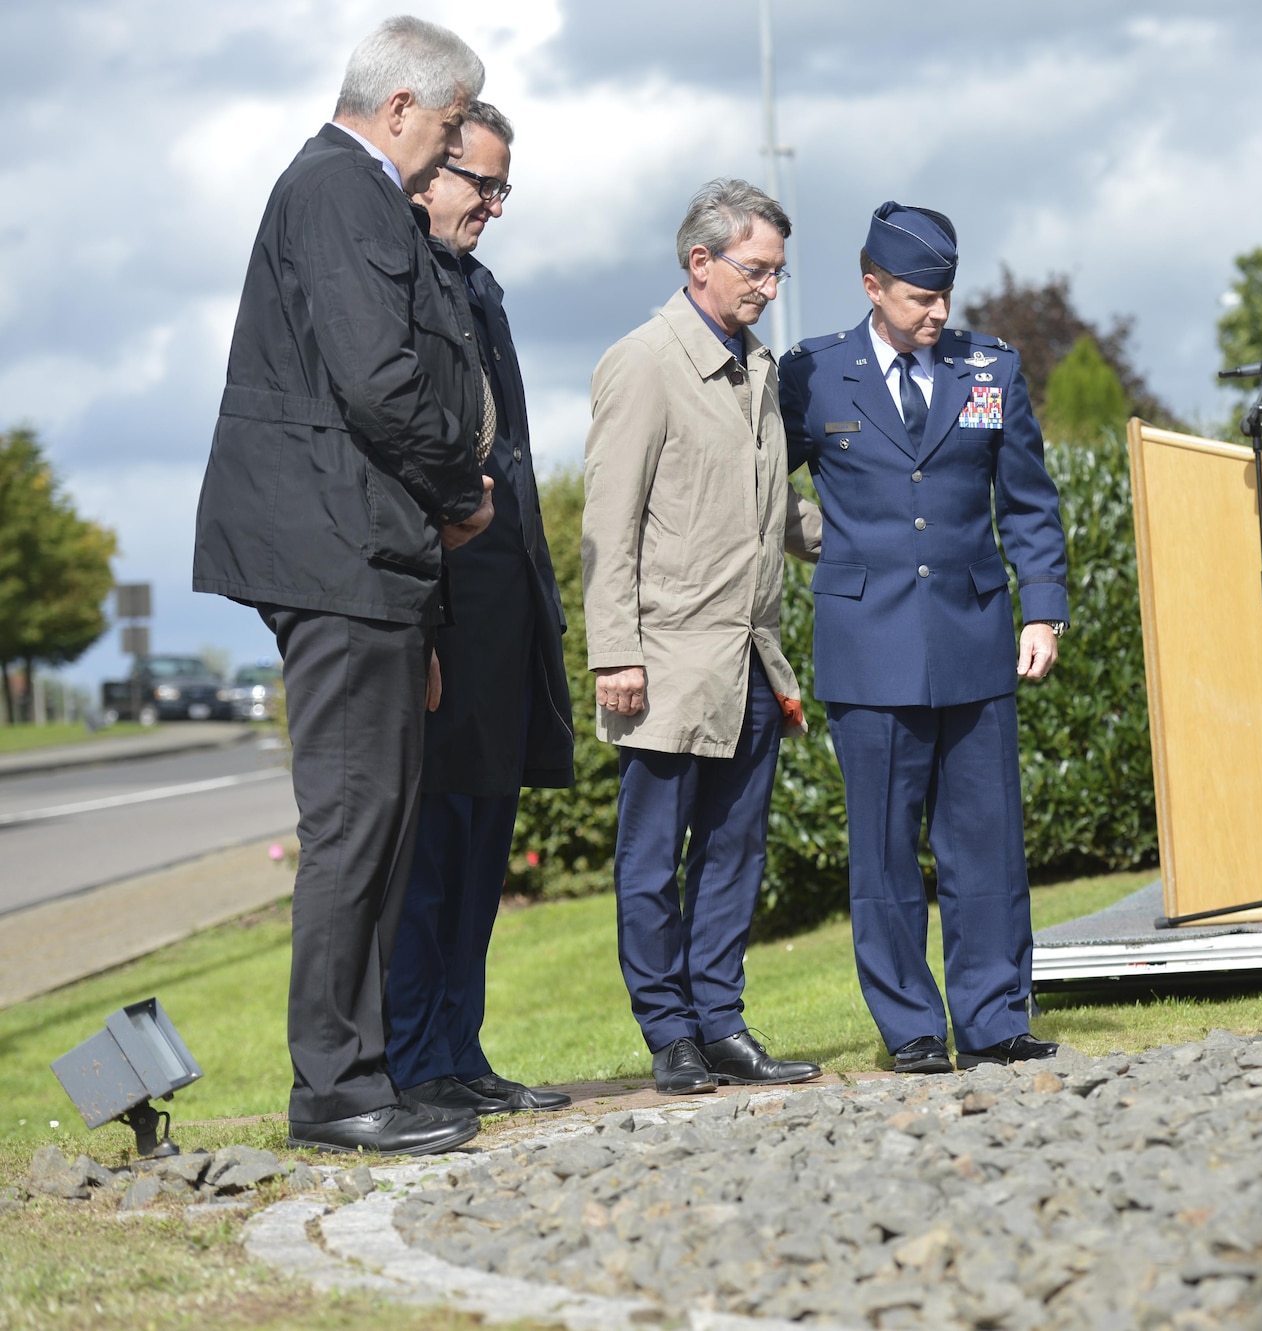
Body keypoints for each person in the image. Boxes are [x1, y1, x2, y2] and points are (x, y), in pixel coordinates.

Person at [192, 16, 496, 1155]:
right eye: (455, 122)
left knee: (381, 818)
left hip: (361, 550)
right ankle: (333, 1087)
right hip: (335, 550)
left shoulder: (352, 192)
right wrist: (457, 484)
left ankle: (359, 1073)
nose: (455, 148)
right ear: (404, 106)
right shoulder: (339, 188)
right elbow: (378, 379)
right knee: (355, 820)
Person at [778, 202, 1068, 1074]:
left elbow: (1027, 501)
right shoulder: (813, 374)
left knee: (985, 843)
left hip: (976, 639)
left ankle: (991, 1019)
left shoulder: (991, 368)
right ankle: (909, 1026)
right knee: (883, 851)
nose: (936, 312)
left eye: (944, 294)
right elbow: (754, 483)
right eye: (916, 297)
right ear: (872, 286)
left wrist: (1043, 609)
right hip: (866, 648)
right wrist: (819, 543)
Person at [582, 179, 824, 1096]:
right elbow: (607, 520)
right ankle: (671, 1033)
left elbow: (773, 514)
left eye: (777, 272)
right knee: (652, 863)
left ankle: (721, 1023)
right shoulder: (642, 363)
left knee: (734, 854)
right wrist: (616, 652)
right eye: (757, 269)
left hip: (754, 660)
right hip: (665, 664)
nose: (769, 286)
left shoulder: (761, 371)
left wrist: (878, 535)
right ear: (701, 262)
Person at [384, 101, 576, 1118]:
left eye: (505, 188)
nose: (494, 205)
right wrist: (418, 624)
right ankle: (412, 1060)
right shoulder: (398, 280)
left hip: (502, 609)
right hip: (440, 606)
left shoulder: (478, 286)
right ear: (426, 170)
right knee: (427, 853)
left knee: (479, 843)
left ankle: (458, 1048)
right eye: (480, 184)